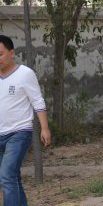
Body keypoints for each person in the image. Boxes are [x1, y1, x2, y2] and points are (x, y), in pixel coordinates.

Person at [0, 34, 51, 205]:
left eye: (0, 54)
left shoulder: (25, 74)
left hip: (19, 133)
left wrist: (44, 128)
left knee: (6, 176)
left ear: (11, 53)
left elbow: (37, 101)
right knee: (12, 177)